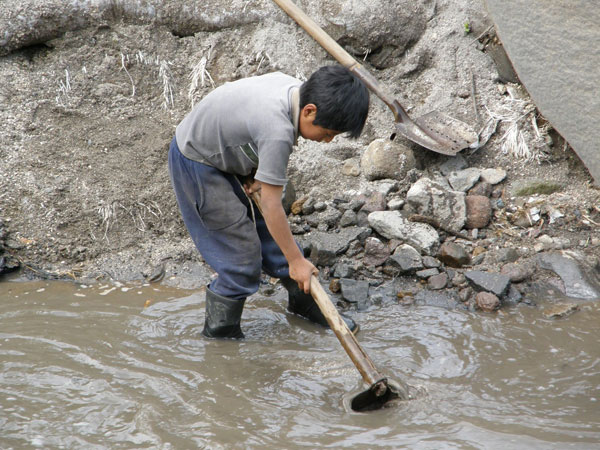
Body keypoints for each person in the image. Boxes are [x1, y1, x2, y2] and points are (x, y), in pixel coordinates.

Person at [168, 65, 369, 339]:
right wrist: (297, 261)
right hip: (197, 159)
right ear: (309, 111)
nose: (328, 140)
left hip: (225, 147)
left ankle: (304, 303)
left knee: (273, 237)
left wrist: (252, 172)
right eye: (328, 133)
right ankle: (221, 337)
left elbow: (247, 130)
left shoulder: (295, 91)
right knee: (240, 259)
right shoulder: (277, 129)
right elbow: (273, 204)